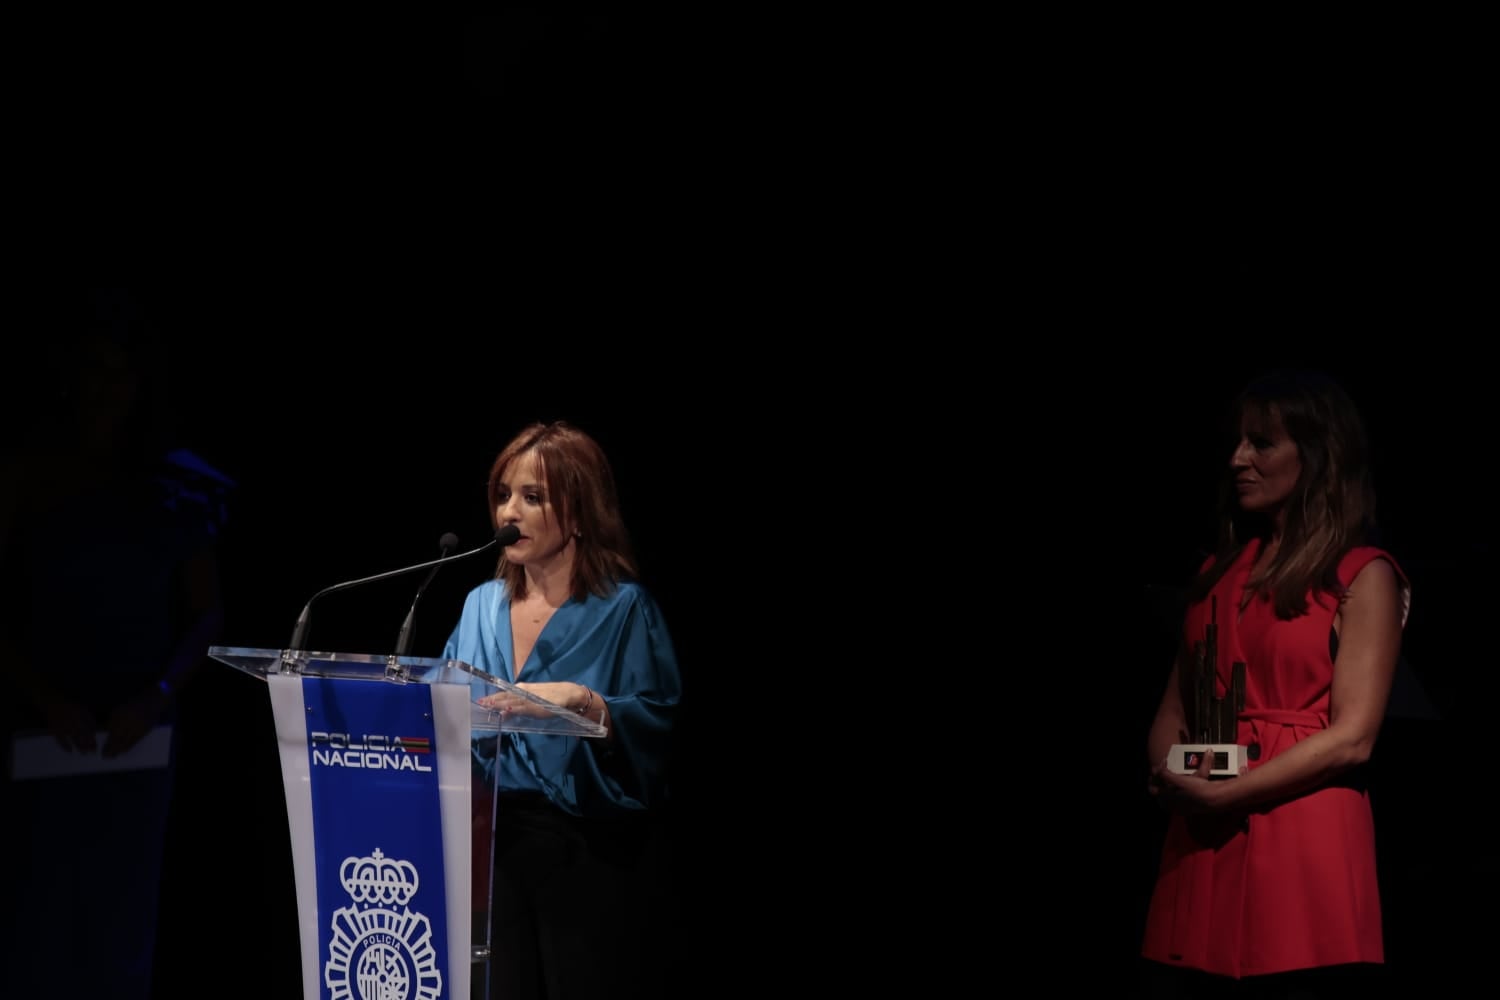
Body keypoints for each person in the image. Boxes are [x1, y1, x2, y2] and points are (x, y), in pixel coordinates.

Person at [1139, 370, 1410, 999]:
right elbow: (1173, 708)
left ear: (1315, 456)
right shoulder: (1217, 572)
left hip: (1298, 830)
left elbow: (1354, 738)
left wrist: (1220, 797)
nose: (1238, 459)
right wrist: (1172, 778)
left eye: (1261, 443)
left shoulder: (1360, 573)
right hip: (1202, 835)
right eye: (1236, 442)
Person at [0, 307, 231, 998]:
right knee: (31, 922)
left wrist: (157, 696)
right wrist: (40, 695)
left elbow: (208, 612)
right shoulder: (27, 470)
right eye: (92, 368)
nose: (106, 386)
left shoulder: (177, 480)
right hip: (39, 725)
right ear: (68, 376)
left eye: (119, 371)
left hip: (134, 734)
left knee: (121, 925)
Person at [443, 419, 682, 1000]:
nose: (509, 514)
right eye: (503, 496)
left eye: (532, 497)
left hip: (588, 852)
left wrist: (587, 703)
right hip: (491, 846)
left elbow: (661, 725)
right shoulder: (479, 606)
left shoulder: (625, 609)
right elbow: (444, 703)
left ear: (577, 512)